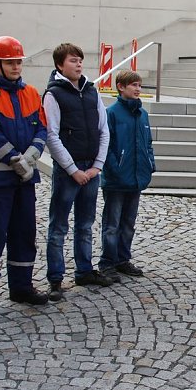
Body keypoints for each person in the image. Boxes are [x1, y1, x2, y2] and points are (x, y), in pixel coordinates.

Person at [0, 36, 49, 321]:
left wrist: (29, 156)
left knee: (24, 233)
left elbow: (41, 127)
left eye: (18, 61)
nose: (16, 66)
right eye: (10, 62)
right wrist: (14, 159)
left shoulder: (30, 92)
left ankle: (21, 286)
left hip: (25, 179)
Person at [43, 43, 111, 301]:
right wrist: (72, 169)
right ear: (60, 65)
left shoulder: (92, 91)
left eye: (80, 60)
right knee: (58, 226)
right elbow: (52, 135)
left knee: (85, 224)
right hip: (68, 172)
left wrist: (97, 166)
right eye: (73, 60)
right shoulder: (53, 94)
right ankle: (56, 278)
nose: (79, 64)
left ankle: (84, 269)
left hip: (91, 169)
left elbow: (103, 129)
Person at [98, 70, 155, 279]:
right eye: (134, 85)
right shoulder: (111, 113)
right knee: (112, 223)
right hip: (116, 180)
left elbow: (147, 143)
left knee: (128, 223)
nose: (138, 89)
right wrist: (116, 168)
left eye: (139, 85)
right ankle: (107, 262)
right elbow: (106, 145)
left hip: (136, 178)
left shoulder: (143, 115)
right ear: (121, 87)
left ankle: (123, 259)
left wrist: (150, 165)